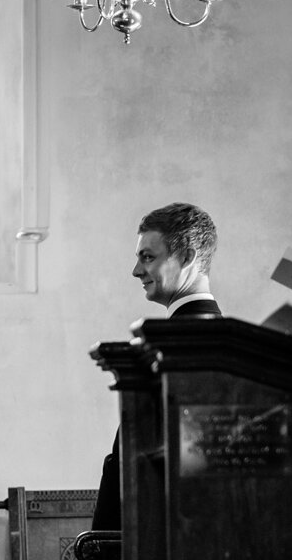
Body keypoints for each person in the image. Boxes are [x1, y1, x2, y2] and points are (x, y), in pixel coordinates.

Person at [91, 203, 221, 531]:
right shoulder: (212, 335)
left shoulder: (178, 346)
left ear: (188, 257)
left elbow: (131, 464)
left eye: (148, 257)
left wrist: (101, 548)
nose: (136, 270)